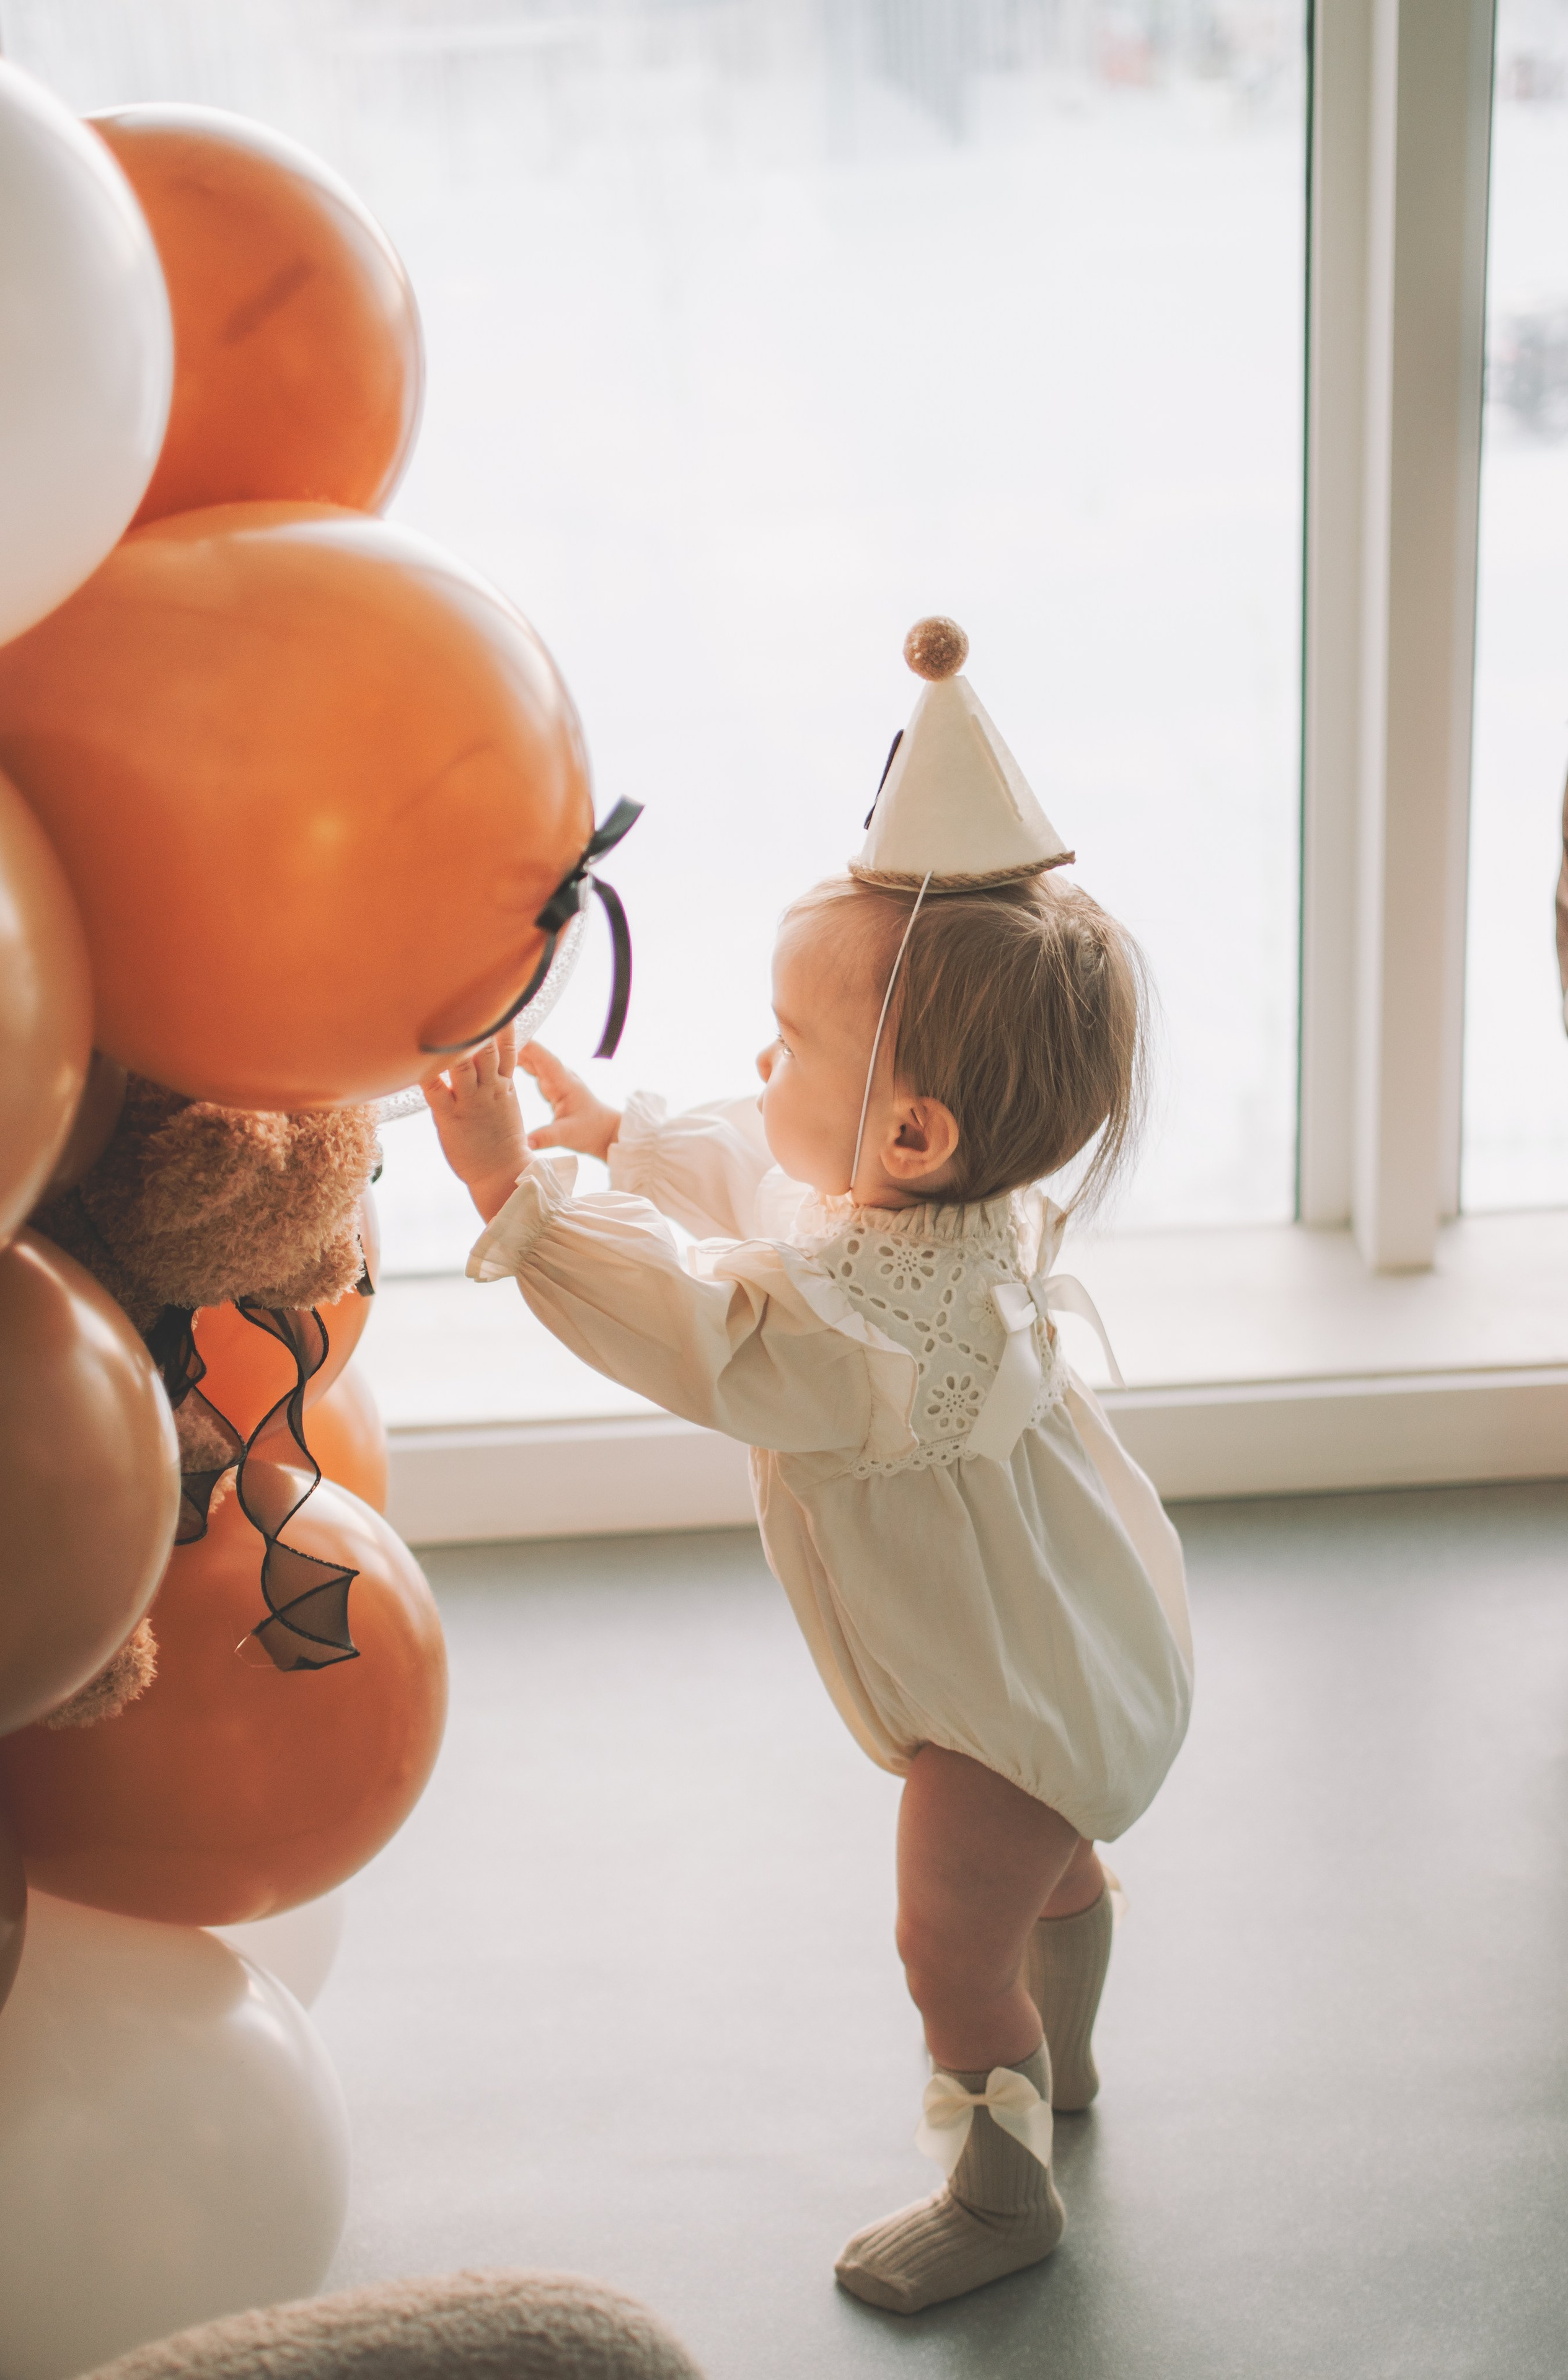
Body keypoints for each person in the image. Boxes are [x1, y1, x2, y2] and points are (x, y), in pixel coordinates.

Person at [423, 619, 1194, 2316]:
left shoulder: (860, 1329)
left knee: (946, 1942)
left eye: (787, 1048)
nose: (759, 1071)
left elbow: (706, 1333)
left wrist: (522, 1198)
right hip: (1069, 1649)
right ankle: (1061, 2066)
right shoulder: (934, 1221)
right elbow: (776, 1195)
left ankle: (1005, 2193)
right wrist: (620, 1131)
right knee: (1052, 1864)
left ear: (911, 1129)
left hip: (989, 1701)